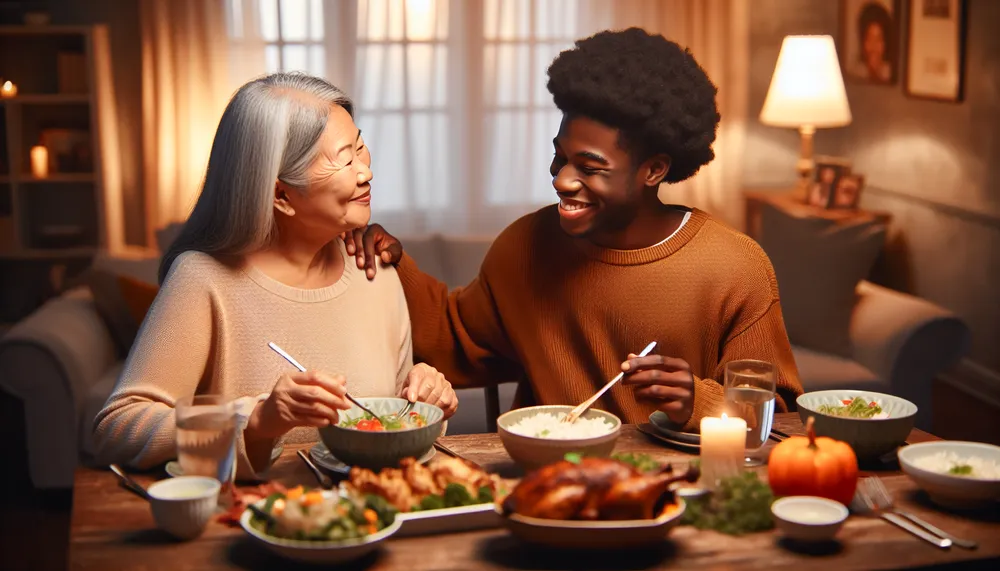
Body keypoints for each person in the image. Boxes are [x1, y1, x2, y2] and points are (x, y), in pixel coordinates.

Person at [345, 29, 803, 432]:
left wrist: (697, 402)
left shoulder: (735, 267)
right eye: (560, 157)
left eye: (589, 167)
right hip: (546, 481)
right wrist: (393, 262)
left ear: (653, 169)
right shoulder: (525, 246)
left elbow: (774, 418)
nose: (562, 180)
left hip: (678, 496)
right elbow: (456, 340)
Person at [92, 73, 456, 478]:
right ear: (281, 195)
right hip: (254, 523)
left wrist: (424, 394)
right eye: (344, 158)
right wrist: (257, 419)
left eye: (359, 148)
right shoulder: (203, 279)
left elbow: (387, 426)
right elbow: (116, 428)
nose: (365, 172)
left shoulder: (375, 270)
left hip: (375, 517)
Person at [855, 2, 894, 83]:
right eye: (869, 39)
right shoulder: (855, 74)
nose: (873, 46)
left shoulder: (893, 74)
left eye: (878, 39)